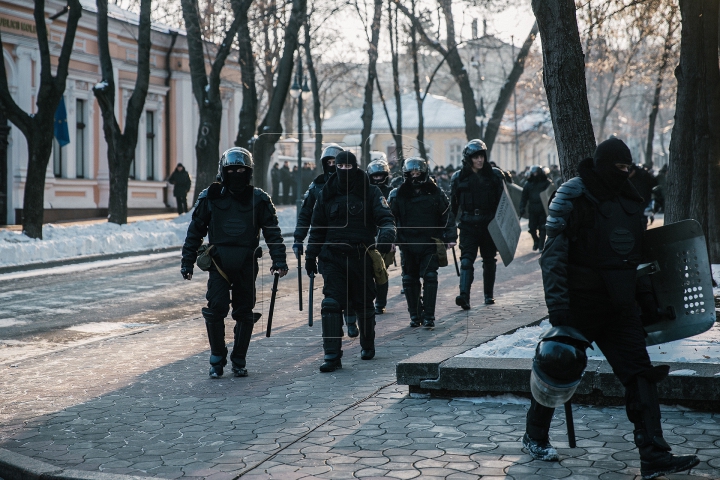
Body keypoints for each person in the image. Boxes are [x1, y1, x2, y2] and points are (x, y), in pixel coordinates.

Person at [523, 138, 699, 479]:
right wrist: (559, 310)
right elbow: (553, 258)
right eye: (618, 168)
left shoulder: (631, 201)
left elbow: (637, 259)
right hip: (579, 304)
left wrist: (649, 302)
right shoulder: (573, 196)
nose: (623, 174)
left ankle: (654, 454)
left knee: (640, 376)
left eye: (627, 168)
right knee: (557, 364)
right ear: (602, 164)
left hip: (620, 305)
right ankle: (535, 436)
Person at [180, 147, 288, 378]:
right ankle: (217, 357)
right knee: (216, 308)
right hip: (218, 263)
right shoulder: (210, 197)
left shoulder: (259, 199)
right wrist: (187, 261)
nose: (236, 173)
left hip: (246, 263)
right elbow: (195, 231)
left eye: (241, 170)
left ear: (248, 172)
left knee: (244, 311)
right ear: (223, 171)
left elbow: (272, 232)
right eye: (232, 170)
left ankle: (239, 359)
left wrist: (279, 259)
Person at [305, 151, 396, 372]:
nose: (344, 170)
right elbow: (317, 229)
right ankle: (332, 355)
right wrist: (310, 254)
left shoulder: (371, 192)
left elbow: (386, 218)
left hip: (361, 255)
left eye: (348, 166)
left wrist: (386, 235)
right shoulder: (326, 194)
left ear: (355, 167)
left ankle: (367, 344)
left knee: (364, 304)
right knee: (331, 304)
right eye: (340, 166)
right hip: (332, 257)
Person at [293, 144, 359, 337]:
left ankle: (351, 314)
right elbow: (305, 214)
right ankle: (334, 327)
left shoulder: (355, 184)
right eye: (328, 163)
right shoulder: (317, 187)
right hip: (326, 245)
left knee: (353, 283)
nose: (332, 166)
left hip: (351, 243)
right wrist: (299, 238)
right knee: (333, 286)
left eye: (335, 162)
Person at [389, 157, 456, 328]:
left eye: (418, 173)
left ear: (424, 173)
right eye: (411, 173)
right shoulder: (398, 195)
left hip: (429, 242)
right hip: (407, 243)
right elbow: (390, 218)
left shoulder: (435, 193)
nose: (415, 176)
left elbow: (447, 215)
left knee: (430, 277)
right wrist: (391, 239)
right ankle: (415, 314)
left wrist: (450, 237)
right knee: (409, 279)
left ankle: (429, 315)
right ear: (406, 174)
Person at [450, 139, 504, 309]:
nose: (479, 160)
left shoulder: (494, 176)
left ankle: (489, 295)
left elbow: (504, 203)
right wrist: (449, 231)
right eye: (475, 157)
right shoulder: (458, 178)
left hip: (489, 224)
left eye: (481, 156)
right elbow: (453, 206)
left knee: (489, 260)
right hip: (468, 225)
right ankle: (464, 296)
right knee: (466, 261)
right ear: (469, 158)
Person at [367, 159, 394, 315]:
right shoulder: (365, 191)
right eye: (374, 176)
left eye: (380, 176)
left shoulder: (391, 192)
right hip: (369, 235)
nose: (377, 179)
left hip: (385, 235)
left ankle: (380, 302)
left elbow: (393, 217)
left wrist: (392, 239)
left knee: (381, 270)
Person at [519, 165, 553, 252]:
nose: (535, 175)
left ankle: (541, 245)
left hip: (542, 209)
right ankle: (536, 241)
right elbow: (524, 197)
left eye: (536, 173)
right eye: (533, 173)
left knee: (543, 228)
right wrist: (522, 207)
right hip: (533, 209)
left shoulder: (546, 183)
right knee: (532, 228)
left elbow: (551, 194)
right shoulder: (528, 184)